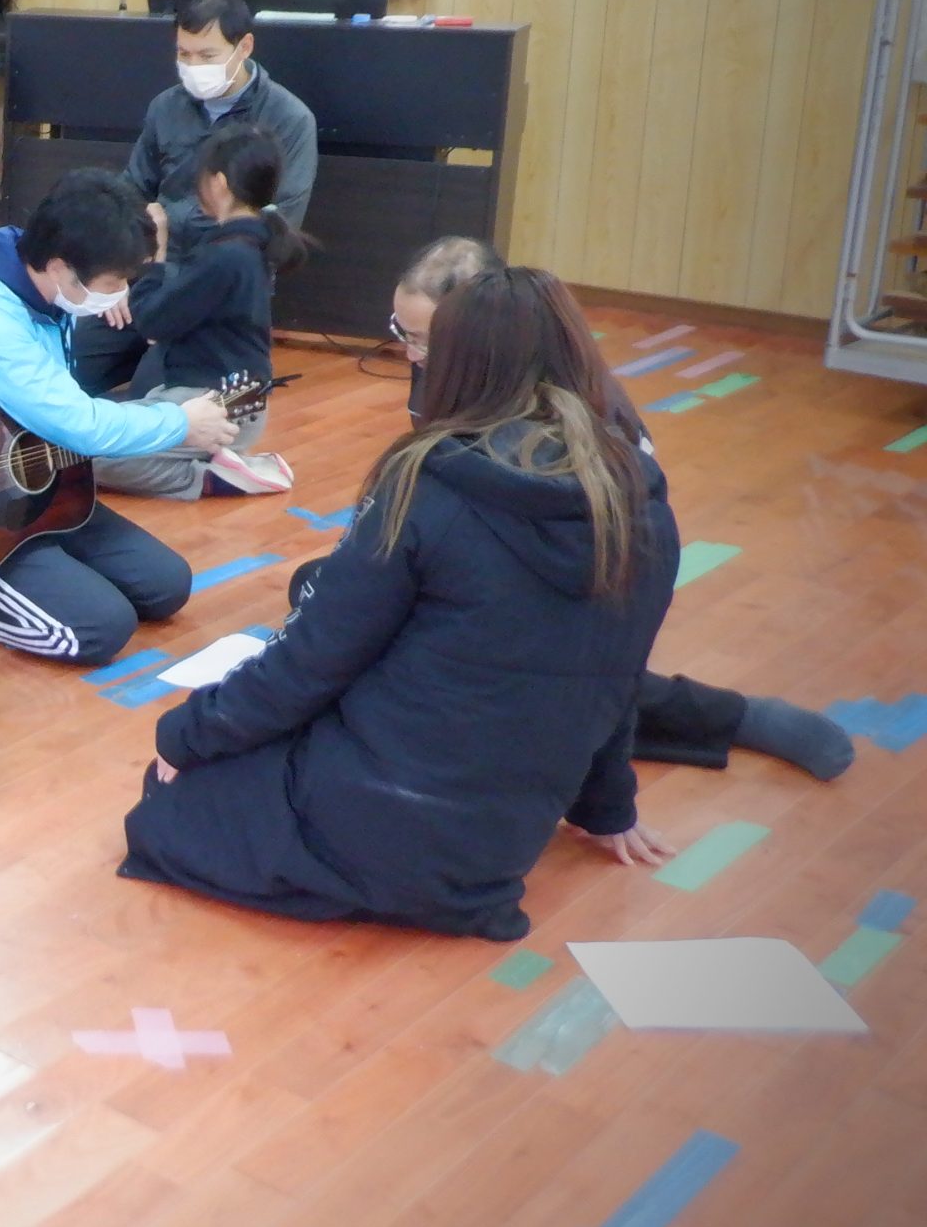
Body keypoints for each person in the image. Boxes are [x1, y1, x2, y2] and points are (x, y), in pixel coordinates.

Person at [121, 266, 681, 940]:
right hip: (498, 848)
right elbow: (617, 677)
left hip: (386, 820)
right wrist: (609, 807)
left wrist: (187, 734)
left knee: (166, 800)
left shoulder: (430, 483)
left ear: (460, 363)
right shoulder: (642, 502)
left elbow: (311, 661)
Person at [335, 234, 855, 782]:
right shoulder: (443, 364)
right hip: (480, 566)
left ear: (484, 331)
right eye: (403, 333)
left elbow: (596, 576)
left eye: (423, 339)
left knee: (548, 687)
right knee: (341, 601)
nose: (411, 354)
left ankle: (731, 717)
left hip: (555, 584)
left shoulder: (591, 416)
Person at [0, 170, 240, 662]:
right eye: (114, 282)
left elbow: (61, 414)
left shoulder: (44, 290)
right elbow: (80, 425)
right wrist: (180, 423)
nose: (120, 293)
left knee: (167, 586)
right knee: (100, 629)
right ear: (59, 268)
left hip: (20, 485)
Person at [77, 0, 320, 396]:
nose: (193, 67)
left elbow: (277, 222)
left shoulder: (289, 118)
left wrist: (170, 296)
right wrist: (119, 273)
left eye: (207, 56)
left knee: (155, 403)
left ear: (244, 47)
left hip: (217, 296)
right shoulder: (165, 107)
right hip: (149, 276)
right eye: (183, 54)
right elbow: (131, 193)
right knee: (64, 367)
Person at [94, 119, 310, 500]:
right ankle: (218, 461)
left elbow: (152, 322)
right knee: (101, 431)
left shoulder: (226, 256)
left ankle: (209, 477)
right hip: (232, 402)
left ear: (219, 183)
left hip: (215, 407)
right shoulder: (252, 245)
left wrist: (156, 251)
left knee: (89, 457)